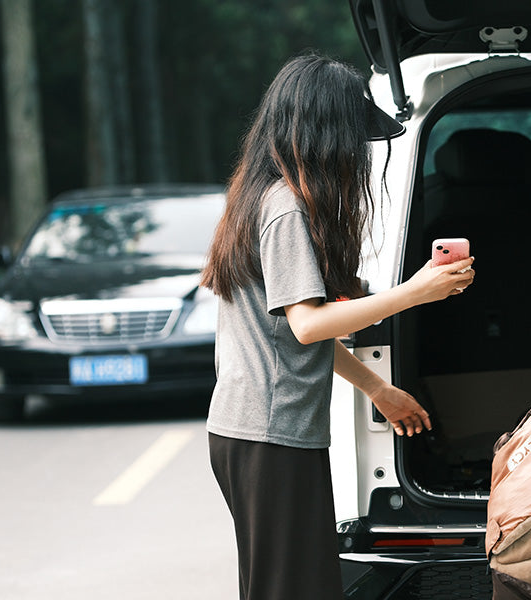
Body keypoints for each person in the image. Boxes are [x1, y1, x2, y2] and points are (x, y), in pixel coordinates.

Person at [200, 52, 476, 600]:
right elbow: (308, 325)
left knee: (287, 584)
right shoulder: (284, 207)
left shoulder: (263, 194)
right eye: (352, 137)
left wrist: (377, 387)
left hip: (257, 432)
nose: (356, 154)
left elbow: (292, 334)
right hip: (269, 435)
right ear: (325, 131)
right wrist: (414, 293)